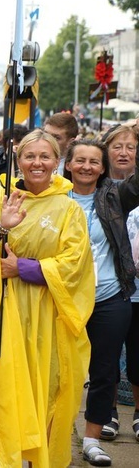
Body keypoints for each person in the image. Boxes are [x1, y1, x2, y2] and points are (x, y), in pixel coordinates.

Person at [0, 130, 95, 467]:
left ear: (57, 162)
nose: (37, 163)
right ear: (18, 161)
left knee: (46, 392)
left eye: (45, 156)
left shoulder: (69, 209)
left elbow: (75, 264)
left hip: (49, 316)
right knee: (7, 393)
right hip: (4, 314)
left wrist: (23, 268)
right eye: (30, 156)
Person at [62, 137, 139, 465]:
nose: (86, 167)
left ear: (103, 167)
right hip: (62, 300)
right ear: (68, 164)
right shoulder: (54, 198)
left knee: (105, 371)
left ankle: (93, 438)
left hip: (109, 299)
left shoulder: (114, 196)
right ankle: (53, 436)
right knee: (60, 373)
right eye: (80, 160)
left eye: (94, 161)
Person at [99, 122, 139, 444]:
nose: (124, 152)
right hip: (108, 286)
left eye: (131, 146)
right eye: (117, 146)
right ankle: (107, 412)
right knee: (106, 356)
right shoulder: (96, 188)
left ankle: (138, 413)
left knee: (138, 357)